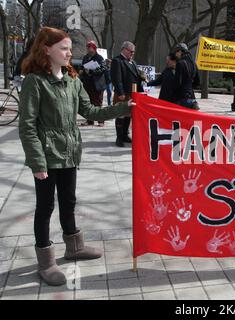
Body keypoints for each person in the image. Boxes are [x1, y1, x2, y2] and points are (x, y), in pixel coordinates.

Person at [18, 27, 135, 286]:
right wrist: (37, 161)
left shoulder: (73, 78)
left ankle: (73, 247)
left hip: (70, 152)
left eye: (70, 48)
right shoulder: (35, 82)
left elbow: (90, 111)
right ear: (46, 49)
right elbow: (27, 125)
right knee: (45, 206)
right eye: (64, 48)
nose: (69, 53)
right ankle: (46, 261)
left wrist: (123, 108)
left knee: (69, 200)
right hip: (47, 156)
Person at [111, 41, 146, 147]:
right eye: (131, 51)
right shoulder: (117, 61)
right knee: (120, 115)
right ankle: (119, 137)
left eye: (133, 52)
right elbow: (117, 78)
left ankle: (125, 134)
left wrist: (142, 77)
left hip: (132, 93)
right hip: (123, 93)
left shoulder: (133, 62)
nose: (132, 53)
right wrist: (120, 92)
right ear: (124, 49)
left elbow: (135, 76)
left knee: (128, 116)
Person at [79, 40, 107, 126]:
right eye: (87, 48)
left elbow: (102, 69)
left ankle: (100, 120)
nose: (88, 50)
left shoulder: (100, 58)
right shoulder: (86, 57)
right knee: (89, 102)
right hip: (88, 83)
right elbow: (82, 67)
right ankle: (90, 120)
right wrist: (82, 71)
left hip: (97, 84)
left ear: (94, 49)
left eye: (89, 48)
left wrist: (91, 71)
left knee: (98, 102)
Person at [173, 43, 200, 110]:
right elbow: (197, 83)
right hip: (192, 98)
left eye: (176, 51)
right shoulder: (194, 64)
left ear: (180, 51)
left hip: (181, 98)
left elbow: (177, 83)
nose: (175, 54)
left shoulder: (180, 63)